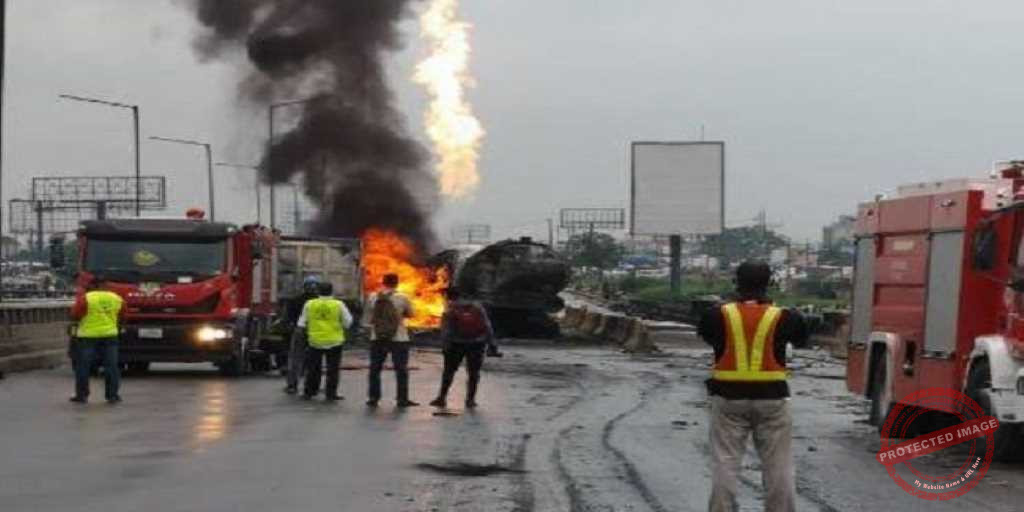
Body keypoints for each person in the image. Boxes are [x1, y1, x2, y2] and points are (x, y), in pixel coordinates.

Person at [698, 261, 807, 512]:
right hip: (773, 399)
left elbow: (707, 336)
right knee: (778, 464)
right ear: (769, 283)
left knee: (725, 462)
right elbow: (801, 339)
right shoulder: (785, 317)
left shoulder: (717, 315)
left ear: (736, 282)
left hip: (727, 398)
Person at [430, 287, 494, 409]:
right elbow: (487, 325)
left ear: (448, 297)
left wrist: (445, 345)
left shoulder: (450, 308)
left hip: (456, 343)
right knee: (474, 373)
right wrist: (492, 343)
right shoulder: (477, 306)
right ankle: (470, 400)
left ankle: (442, 398)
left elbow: (446, 330)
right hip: (477, 343)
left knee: (449, 371)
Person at [363, 273, 418, 407]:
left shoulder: (372, 297)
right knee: (401, 369)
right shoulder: (402, 297)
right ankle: (402, 399)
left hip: (377, 337)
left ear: (383, 282)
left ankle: (373, 398)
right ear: (397, 283)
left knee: (375, 368)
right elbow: (412, 314)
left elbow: (368, 319)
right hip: (398, 337)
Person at [69, 281, 125, 404]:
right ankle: (112, 396)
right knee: (111, 366)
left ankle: (82, 395)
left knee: (83, 366)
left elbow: (75, 314)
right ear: (106, 287)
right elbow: (123, 315)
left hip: (88, 336)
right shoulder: (116, 298)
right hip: (110, 335)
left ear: (93, 287)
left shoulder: (87, 298)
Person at [297, 281, 353, 401]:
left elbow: (302, 322)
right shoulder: (338, 304)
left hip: (315, 341)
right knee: (332, 369)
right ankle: (331, 393)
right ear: (332, 291)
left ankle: (310, 392)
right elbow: (348, 322)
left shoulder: (310, 304)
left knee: (313, 368)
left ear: (318, 291)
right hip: (334, 341)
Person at [284, 276, 322, 394]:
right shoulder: (320, 302)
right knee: (314, 360)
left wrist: (291, 328)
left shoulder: (295, 300)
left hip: (299, 331)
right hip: (315, 333)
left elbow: (288, 318)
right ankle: (311, 386)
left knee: (296, 359)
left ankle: (292, 384)